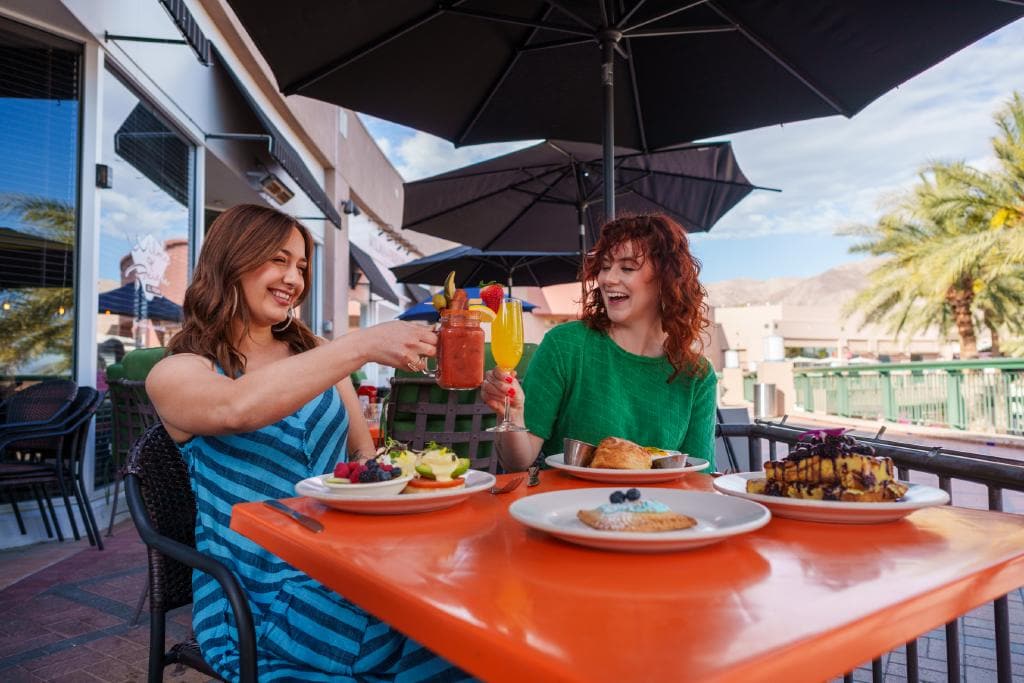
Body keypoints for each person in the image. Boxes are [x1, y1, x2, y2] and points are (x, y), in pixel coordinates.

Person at [146, 204, 470, 682]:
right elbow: (236, 409)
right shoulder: (178, 372)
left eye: (300, 266)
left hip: (345, 568)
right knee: (450, 643)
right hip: (256, 595)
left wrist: (426, 488)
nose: (294, 279)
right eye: (278, 260)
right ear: (231, 258)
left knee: (461, 617)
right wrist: (358, 345)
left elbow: (365, 459)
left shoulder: (314, 354)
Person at [481, 213, 717, 473]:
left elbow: (699, 476)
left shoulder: (697, 375)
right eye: (605, 266)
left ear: (666, 280)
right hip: (567, 508)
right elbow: (517, 461)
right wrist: (511, 415)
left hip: (657, 510)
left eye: (627, 268)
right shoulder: (565, 345)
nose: (607, 279)